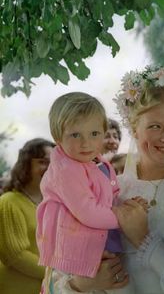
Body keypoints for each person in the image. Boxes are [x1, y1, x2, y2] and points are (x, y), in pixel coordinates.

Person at [36, 92, 148, 290]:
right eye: (75, 135)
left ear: (104, 132)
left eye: (94, 134)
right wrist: (124, 217)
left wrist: (127, 205)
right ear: (57, 136)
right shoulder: (65, 169)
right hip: (70, 250)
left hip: (93, 244)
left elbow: (110, 198)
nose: (86, 143)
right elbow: (87, 210)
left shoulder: (98, 162)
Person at [110, 66, 164, 294]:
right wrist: (87, 283)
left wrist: (143, 238)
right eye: (155, 126)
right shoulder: (112, 191)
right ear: (134, 130)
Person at [0, 138, 55, 294]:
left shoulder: (49, 204)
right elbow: (15, 256)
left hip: (45, 287)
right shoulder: (8, 202)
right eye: (43, 162)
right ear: (25, 164)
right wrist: (57, 273)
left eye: (53, 163)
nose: (50, 168)